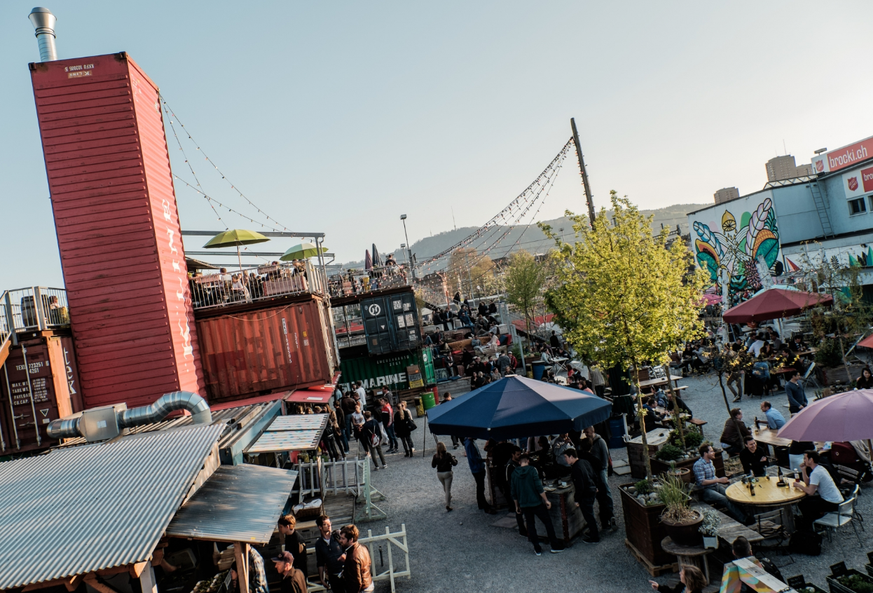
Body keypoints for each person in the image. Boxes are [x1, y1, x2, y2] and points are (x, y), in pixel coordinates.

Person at [511, 454, 564, 555]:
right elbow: (539, 487)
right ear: (528, 461)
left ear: (519, 462)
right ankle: (554, 545)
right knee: (547, 522)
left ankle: (537, 548)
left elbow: (513, 492)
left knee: (530, 525)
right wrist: (546, 500)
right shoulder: (532, 470)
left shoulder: (514, 473)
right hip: (536, 502)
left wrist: (517, 506)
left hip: (524, 504)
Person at [693, 444, 746, 523]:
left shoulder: (710, 462)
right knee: (724, 499)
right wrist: (718, 480)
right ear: (705, 453)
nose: (713, 453)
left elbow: (712, 477)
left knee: (732, 496)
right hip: (706, 490)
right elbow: (702, 482)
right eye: (711, 451)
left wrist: (723, 480)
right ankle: (743, 519)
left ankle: (746, 514)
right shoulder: (698, 465)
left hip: (715, 486)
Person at [793, 449, 844, 530]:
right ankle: (815, 520)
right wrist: (803, 470)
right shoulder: (820, 468)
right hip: (836, 499)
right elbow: (808, 483)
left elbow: (810, 492)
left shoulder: (816, 473)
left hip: (832, 502)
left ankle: (810, 524)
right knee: (806, 501)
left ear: (811, 460)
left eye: (805, 458)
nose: (804, 460)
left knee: (802, 504)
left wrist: (799, 485)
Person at [563, 448, 600, 544]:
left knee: (589, 516)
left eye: (566, 457)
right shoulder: (584, 462)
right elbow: (594, 474)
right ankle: (593, 532)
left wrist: (576, 500)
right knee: (590, 513)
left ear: (571, 456)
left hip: (586, 494)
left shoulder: (576, 468)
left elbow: (580, 486)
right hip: (591, 490)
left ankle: (594, 536)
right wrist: (595, 486)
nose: (565, 460)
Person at [583, 426, 616, 531]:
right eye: (585, 432)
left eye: (587, 432)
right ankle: (606, 514)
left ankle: (610, 511)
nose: (585, 434)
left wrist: (603, 469)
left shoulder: (600, 441)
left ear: (592, 431)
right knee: (600, 492)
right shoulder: (589, 442)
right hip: (595, 470)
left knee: (605, 489)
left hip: (601, 469)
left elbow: (605, 456)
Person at [464, 436, 497, 514]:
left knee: (480, 487)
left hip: (476, 468)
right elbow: (474, 458)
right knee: (480, 487)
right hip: (477, 468)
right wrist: (483, 460)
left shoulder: (468, 442)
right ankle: (484, 505)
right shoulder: (470, 444)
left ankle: (481, 503)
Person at [338, 524, 373, 593]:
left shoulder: (352, 557)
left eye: (343, 538)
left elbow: (356, 582)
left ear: (351, 540)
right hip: (369, 584)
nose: (340, 540)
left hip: (362, 589)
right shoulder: (363, 547)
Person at [315, 515, 344, 593]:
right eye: (325, 524)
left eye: (329, 523)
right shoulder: (319, 544)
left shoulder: (337, 535)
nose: (329, 525)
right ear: (320, 527)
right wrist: (321, 579)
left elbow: (348, 548)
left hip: (345, 572)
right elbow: (320, 562)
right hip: (333, 576)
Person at [432, 441, 458, 511]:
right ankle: (448, 504)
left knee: (445, 486)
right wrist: (455, 459)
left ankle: (448, 496)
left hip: (439, 474)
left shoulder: (435, 456)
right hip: (447, 473)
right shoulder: (448, 455)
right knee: (448, 489)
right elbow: (454, 463)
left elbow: (433, 466)